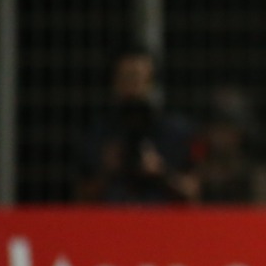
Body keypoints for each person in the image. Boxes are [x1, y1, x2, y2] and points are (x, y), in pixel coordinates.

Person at [75, 46, 199, 204]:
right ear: (115, 82)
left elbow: (193, 194)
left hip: (161, 219)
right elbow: (81, 198)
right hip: (111, 218)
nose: (133, 86)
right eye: (126, 78)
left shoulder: (176, 131)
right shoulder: (97, 132)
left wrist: (162, 172)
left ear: (152, 82)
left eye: (139, 78)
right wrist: (107, 169)